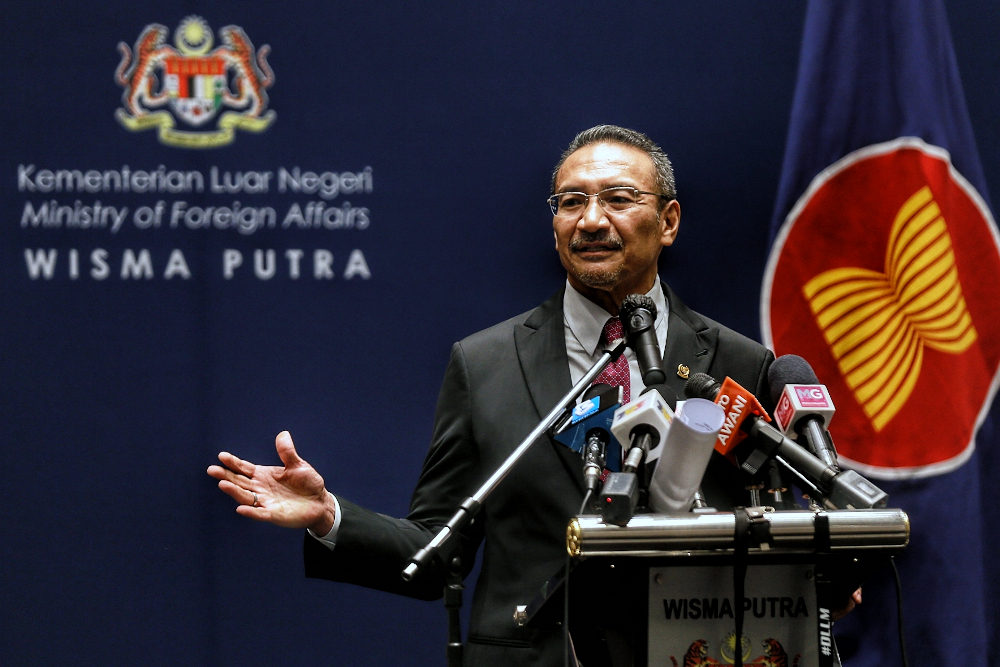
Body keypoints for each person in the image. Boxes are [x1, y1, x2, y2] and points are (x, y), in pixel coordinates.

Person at [208, 125, 854, 666]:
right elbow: (437, 552)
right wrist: (329, 514)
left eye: (619, 198)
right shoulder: (485, 362)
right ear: (554, 227)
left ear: (669, 220)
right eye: (570, 201)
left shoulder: (741, 362)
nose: (592, 219)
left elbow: (772, 529)